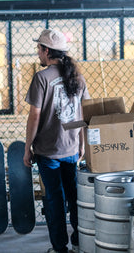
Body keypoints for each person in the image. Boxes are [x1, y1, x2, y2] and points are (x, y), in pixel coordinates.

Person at [23, 29, 90, 253]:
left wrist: (27, 149)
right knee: (74, 197)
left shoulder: (41, 78)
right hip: (71, 149)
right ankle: (81, 241)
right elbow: (82, 114)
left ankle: (60, 248)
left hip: (48, 151)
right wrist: (81, 144)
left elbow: (35, 116)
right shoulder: (77, 77)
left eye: (39, 50)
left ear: (47, 50)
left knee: (54, 200)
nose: (38, 54)